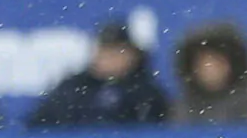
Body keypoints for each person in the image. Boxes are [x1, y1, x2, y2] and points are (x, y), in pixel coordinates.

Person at [28, 21, 169, 129]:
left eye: (117, 51)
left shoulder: (146, 93)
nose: (109, 58)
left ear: (133, 55)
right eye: (105, 51)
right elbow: (41, 122)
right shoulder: (73, 88)